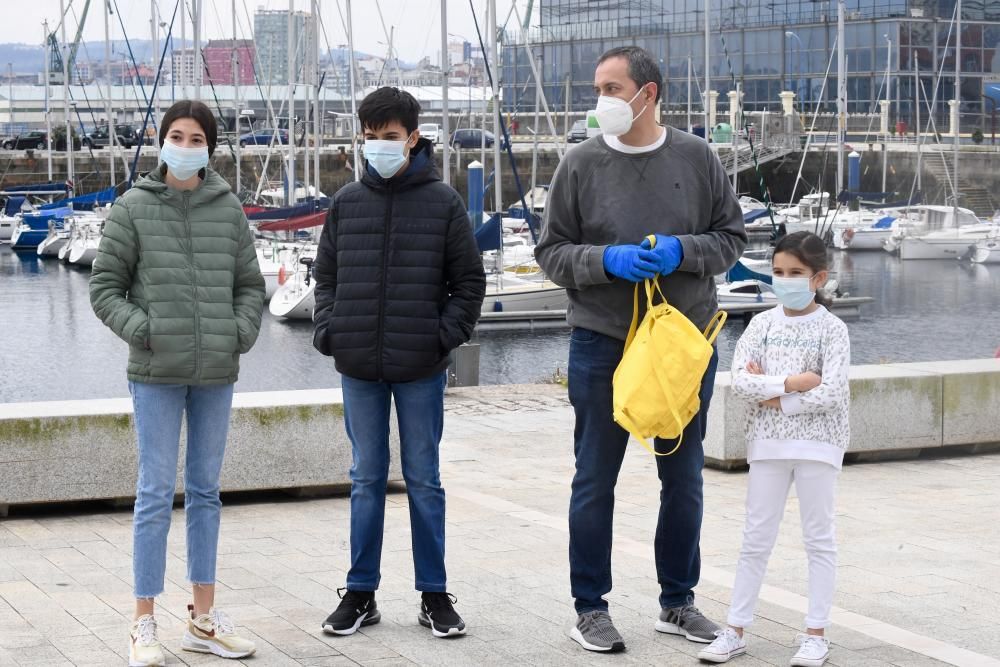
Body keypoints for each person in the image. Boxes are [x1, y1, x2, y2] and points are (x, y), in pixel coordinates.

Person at [535, 46, 747, 653]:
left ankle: (677, 601)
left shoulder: (697, 157)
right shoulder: (579, 163)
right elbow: (551, 253)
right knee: (594, 478)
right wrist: (607, 261)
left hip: (683, 345)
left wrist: (684, 250)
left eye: (610, 87)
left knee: (683, 479)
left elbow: (731, 238)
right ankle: (590, 607)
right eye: (597, 87)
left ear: (646, 94)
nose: (601, 99)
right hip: (602, 344)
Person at [90, 100, 265, 666]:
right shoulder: (133, 208)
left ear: (210, 148)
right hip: (156, 372)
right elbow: (104, 289)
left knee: (207, 493)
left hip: (216, 370)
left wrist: (237, 333)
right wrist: (145, 331)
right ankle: (143, 621)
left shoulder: (228, 208)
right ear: (161, 141)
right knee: (154, 494)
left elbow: (249, 285)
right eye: (176, 136)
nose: (186, 146)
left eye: (196, 139)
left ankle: (203, 619)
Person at [312, 86, 486, 639]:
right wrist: (328, 332)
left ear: (412, 138)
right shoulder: (346, 203)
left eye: (388, 137)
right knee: (365, 478)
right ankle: (360, 592)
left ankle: (434, 594)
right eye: (370, 138)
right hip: (358, 364)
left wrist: (443, 338)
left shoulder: (443, 202)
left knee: (424, 479)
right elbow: (327, 277)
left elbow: (469, 284)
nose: (378, 147)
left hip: (421, 367)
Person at [697, 232, 850, 667]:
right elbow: (741, 382)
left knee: (819, 539)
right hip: (767, 442)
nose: (785, 280)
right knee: (755, 539)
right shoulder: (761, 324)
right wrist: (793, 383)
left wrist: (775, 397)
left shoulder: (832, 329)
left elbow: (833, 392)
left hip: (819, 444)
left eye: (796, 274)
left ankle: (815, 634)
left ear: (818, 278)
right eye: (779, 272)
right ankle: (735, 629)